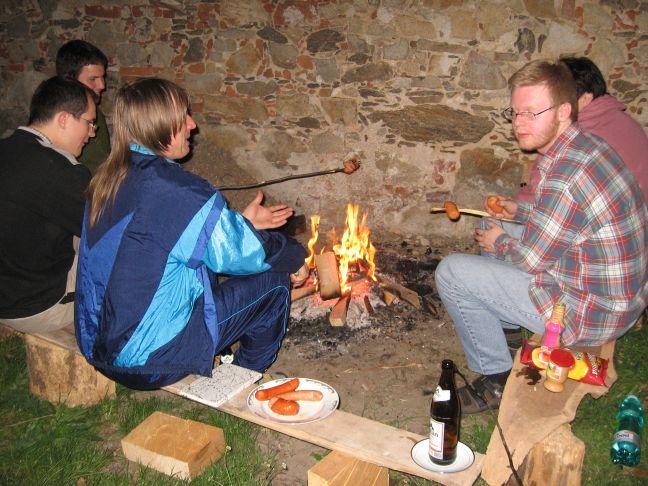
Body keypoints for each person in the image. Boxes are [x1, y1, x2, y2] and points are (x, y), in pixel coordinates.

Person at [435, 60, 647, 414]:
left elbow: (531, 259)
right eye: (515, 112)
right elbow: (569, 216)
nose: (519, 123)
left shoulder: (566, 172)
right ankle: (508, 329)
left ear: (564, 111)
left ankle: (496, 376)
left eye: (532, 113)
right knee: (495, 223)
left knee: (451, 273)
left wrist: (500, 242)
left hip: (591, 311)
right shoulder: (582, 146)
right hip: (610, 291)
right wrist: (519, 212)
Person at [75, 78, 309, 390]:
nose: (192, 124)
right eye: (182, 117)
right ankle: (239, 380)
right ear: (159, 125)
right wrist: (293, 255)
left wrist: (240, 223)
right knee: (275, 281)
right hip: (151, 361)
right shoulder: (177, 190)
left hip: (100, 348)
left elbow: (159, 240)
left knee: (203, 267)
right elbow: (241, 254)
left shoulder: (108, 179)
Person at [0, 77, 95, 332]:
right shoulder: (62, 170)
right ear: (63, 119)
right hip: (34, 307)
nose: (92, 132)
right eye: (88, 122)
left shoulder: (6, 148)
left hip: (8, 288)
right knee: (115, 242)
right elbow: (110, 229)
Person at [516, 56, 648, 206]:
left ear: (585, 99)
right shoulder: (623, 121)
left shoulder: (577, 136)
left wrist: (518, 208)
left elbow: (545, 196)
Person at [56, 40, 110, 172]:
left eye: (102, 77)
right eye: (93, 79)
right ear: (70, 80)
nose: (102, 85)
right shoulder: (55, 119)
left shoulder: (96, 113)